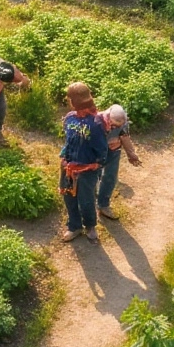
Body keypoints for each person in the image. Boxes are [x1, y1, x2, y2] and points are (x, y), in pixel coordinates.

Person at [59, 82, 108, 243]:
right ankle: (74, 226)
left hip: (87, 170)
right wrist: (63, 158)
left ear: (73, 101)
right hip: (68, 167)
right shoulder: (70, 118)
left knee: (86, 199)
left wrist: (98, 164)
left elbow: (102, 149)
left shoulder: (96, 123)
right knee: (68, 197)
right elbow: (68, 141)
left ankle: (90, 226)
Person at [96, 104, 142, 221]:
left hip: (114, 151)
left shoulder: (123, 122)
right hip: (97, 153)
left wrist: (131, 154)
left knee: (110, 177)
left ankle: (103, 205)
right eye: (114, 125)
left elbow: (124, 136)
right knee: (92, 179)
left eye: (120, 125)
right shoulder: (98, 121)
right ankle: (88, 210)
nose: (117, 128)